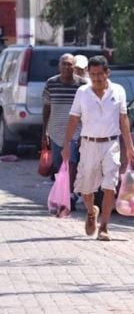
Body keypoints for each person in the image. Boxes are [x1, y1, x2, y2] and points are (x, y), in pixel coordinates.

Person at [62, 56, 134, 241]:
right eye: (92, 75)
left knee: (109, 185)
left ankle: (104, 226)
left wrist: (130, 146)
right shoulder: (82, 92)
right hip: (88, 144)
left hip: (111, 144)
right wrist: (66, 145)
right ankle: (90, 212)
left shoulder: (118, 91)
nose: (96, 79)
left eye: (100, 75)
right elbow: (73, 119)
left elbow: (124, 119)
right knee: (86, 187)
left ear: (107, 73)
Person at [42, 54, 88, 211]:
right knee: (58, 164)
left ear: (74, 67)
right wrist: (44, 133)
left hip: (76, 131)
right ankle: (60, 193)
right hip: (55, 131)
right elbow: (47, 108)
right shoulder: (51, 84)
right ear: (59, 66)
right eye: (64, 64)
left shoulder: (82, 85)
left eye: (70, 64)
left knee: (72, 162)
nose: (67, 67)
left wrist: (84, 133)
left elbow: (87, 111)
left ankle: (70, 195)